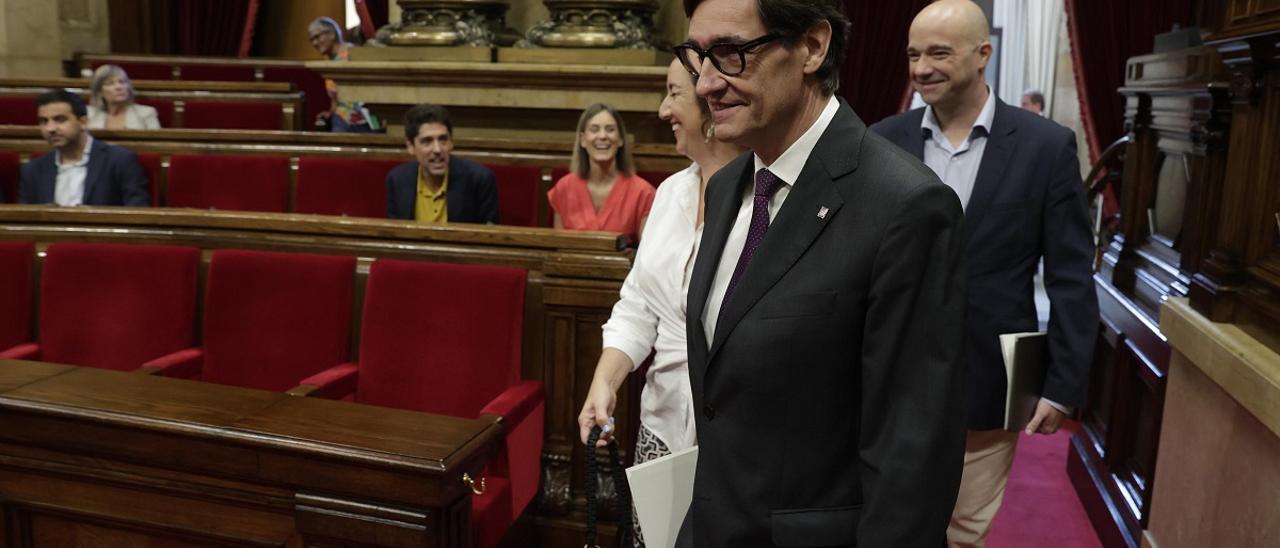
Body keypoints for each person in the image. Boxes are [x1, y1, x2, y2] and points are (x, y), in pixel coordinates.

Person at [673, 0, 968, 545]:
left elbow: (911, 462)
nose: (706, 83)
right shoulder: (727, 185)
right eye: (697, 57)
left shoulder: (906, 205)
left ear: (812, 46)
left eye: (731, 54)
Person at [869, 2, 1097, 547]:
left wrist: (1063, 386)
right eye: (913, 54)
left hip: (987, 380)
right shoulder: (880, 140)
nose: (921, 67)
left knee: (964, 531)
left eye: (938, 53)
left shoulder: (1046, 147)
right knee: (885, 523)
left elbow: (1070, 276)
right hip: (886, 377)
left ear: (983, 55)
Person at [577, 59, 743, 547]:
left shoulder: (769, 202)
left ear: (713, 100)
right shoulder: (670, 194)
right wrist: (604, 381)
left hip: (733, 448)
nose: (663, 109)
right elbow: (638, 308)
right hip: (661, 435)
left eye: (674, 94)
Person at [547, 103, 655, 244]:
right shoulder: (564, 188)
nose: (602, 136)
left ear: (621, 139)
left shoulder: (643, 192)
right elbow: (558, 249)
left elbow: (646, 256)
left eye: (610, 130)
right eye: (594, 129)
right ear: (583, 140)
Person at [19, 89, 149, 207]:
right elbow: (24, 221)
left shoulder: (120, 161)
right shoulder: (32, 170)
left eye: (60, 119)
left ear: (83, 122)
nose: (50, 129)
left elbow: (137, 213)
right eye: (44, 121)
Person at [385, 103, 498, 224]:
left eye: (443, 139)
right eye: (427, 141)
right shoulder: (397, 180)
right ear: (411, 147)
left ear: (451, 143)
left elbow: (488, 237)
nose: (438, 149)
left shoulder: (479, 180)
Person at [309, 16, 381, 133]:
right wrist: (330, 112)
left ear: (332, 34)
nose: (315, 43)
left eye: (317, 37)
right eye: (312, 40)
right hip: (341, 120)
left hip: (364, 121)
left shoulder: (353, 55)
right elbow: (337, 96)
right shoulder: (329, 61)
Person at [87, 65, 161, 130]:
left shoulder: (146, 114)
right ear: (100, 91)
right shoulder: (89, 114)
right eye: (110, 83)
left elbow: (158, 143)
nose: (119, 87)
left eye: (122, 82)